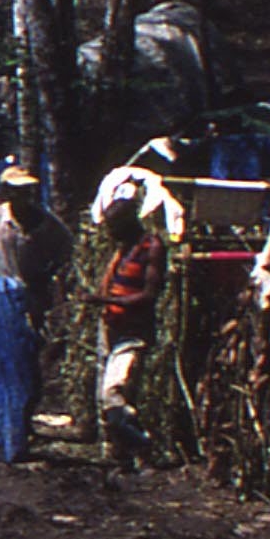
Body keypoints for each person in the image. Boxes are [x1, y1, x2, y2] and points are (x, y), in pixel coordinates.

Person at [92, 188, 168, 464]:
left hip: (133, 331)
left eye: (114, 227)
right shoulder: (123, 249)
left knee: (113, 392)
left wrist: (105, 300)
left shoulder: (152, 248)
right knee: (107, 398)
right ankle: (118, 458)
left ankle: (143, 447)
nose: (111, 234)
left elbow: (149, 295)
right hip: (110, 327)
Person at [0, 167, 70, 302]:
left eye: (27, 189)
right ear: (6, 191)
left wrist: (47, 275)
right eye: (17, 190)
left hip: (31, 295)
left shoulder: (45, 221)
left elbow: (66, 248)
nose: (23, 194)